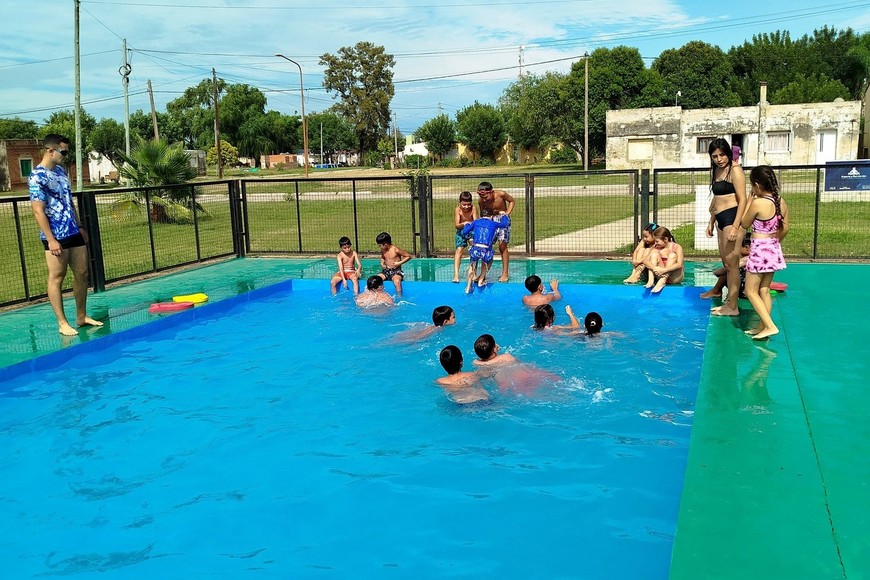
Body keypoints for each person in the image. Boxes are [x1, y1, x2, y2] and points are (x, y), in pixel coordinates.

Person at [29, 134, 103, 337]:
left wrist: (79, 225)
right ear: (50, 150)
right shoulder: (37, 176)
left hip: (72, 230)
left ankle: (81, 316)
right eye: (63, 152)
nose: (66, 155)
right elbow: (38, 210)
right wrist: (51, 239)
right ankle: (62, 323)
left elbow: (69, 202)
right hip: (55, 235)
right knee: (57, 277)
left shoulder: (61, 172)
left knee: (82, 273)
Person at [740, 165, 789, 340]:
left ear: (757, 185)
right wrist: (774, 242)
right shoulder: (780, 201)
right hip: (773, 248)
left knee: (750, 291)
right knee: (764, 290)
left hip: (759, 250)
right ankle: (762, 326)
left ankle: (769, 325)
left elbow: (744, 223)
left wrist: (749, 201)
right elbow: (785, 228)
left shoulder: (758, 202)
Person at [702, 138, 748, 316]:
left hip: (732, 217)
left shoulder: (735, 170)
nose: (719, 159)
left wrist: (736, 226)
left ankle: (732, 306)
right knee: (727, 264)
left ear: (728, 153)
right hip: (720, 218)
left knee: (732, 264)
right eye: (715, 156)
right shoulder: (717, 170)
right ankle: (725, 298)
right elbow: (716, 199)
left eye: (722, 155)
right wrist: (711, 221)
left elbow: (743, 200)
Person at [472, 333, 559, 395]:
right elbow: (521, 364)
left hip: (506, 384)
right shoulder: (506, 357)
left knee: (528, 394)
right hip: (523, 375)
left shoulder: (477, 363)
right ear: (494, 348)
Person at [476, 181, 515, 282]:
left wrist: (507, 213)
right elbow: (482, 214)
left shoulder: (501, 194)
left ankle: (505, 273)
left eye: (486, 197)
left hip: (502, 220)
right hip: (490, 221)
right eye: (482, 197)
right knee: (485, 246)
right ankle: (483, 274)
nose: (484, 199)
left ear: (491, 192)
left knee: (502, 246)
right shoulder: (481, 201)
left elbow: (512, 201)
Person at [461, 213, 504, 293]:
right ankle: (481, 279)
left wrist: (467, 224)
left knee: (472, 265)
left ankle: (468, 287)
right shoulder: (493, 223)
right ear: (491, 216)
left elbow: (464, 232)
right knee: (489, 261)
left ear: (481, 216)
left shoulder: (476, 222)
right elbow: (504, 224)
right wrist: (504, 215)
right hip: (486, 250)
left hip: (476, 249)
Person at [706, 233, 751, 300]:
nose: (734, 249)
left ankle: (716, 291)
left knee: (729, 271)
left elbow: (718, 273)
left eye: (737, 246)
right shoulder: (756, 259)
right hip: (752, 291)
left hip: (745, 292)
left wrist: (718, 271)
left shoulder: (746, 259)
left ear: (747, 248)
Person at [644, 226, 685, 293]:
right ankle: (651, 280)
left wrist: (664, 270)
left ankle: (662, 281)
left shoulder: (676, 247)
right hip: (660, 274)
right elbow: (646, 261)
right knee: (654, 255)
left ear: (665, 239)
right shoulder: (656, 247)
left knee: (672, 255)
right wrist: (655, 268)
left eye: (657, 241)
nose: (655, 243)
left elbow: (679, 264)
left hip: (674, 277)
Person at [452, 191, 478, 282]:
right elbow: (456, 225)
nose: (466, 207)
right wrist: (464, 223)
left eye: (468, 204)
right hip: (461, 231)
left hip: (471, 231)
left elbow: (476, 222)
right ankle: (456, 275)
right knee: (459, 250)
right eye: (464, 205)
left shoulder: (473, 208)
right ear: (459, 203)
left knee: (474, 250)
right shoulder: (458, 210)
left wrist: (469, 225)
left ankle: (473, 273)